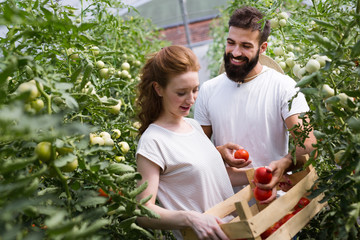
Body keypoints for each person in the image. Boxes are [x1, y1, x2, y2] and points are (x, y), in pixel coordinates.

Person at [194, 6, 317, 203]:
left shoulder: (284, 87)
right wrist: (217, 152)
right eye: (231, 43)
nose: (235, 52)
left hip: (273, 201)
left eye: (245, 46)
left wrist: (285, 163)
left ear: (263, 48)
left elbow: (309, 145)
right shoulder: (208, 90)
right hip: (226, 207)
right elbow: (195, 150)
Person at [135, 45, 248, 240]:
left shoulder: (193, 126)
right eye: (181, 93)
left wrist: (263, 175)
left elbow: (214, 179)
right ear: (158, 89)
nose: (191, 99)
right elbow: (143, 212)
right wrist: (190, 218)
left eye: (195, 90)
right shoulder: (153, 142)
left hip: (235, 232)